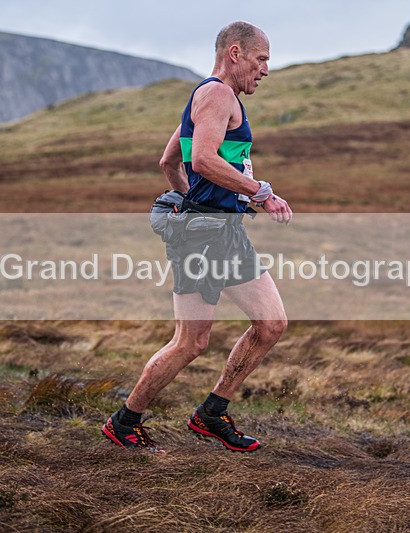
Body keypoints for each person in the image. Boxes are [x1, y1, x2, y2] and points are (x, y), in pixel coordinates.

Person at [102, 21, 292, 453]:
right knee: (191, 342)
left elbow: (171, 161)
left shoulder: (206, 97)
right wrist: (260, 193)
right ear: (236, 53)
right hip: (204, 239)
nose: (265, 70)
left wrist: (209, 202)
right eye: (261, 60)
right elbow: (203, 159)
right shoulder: (216, 95)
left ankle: (210, 413)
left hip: (221, 230)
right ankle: (124, 422)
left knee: (271, 323)